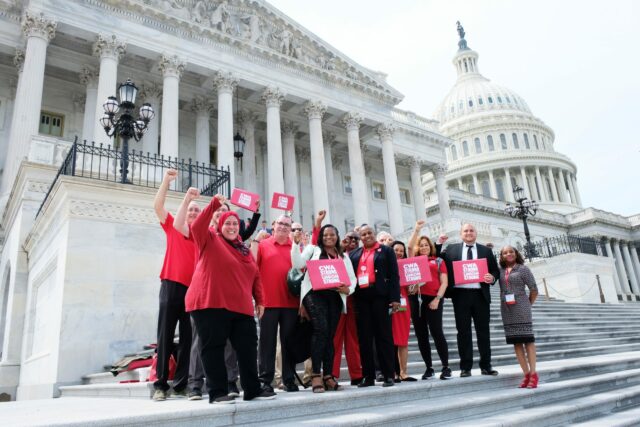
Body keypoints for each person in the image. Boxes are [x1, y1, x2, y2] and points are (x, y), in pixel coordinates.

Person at [177, 189, 275, 404]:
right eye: (227, 223)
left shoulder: (244, 249)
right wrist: (213, 204)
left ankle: (252, 389)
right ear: (220, 226)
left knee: (248, 346)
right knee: (213, 347)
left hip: (239, 306)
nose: (231, 227)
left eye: (234, 223)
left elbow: (255, 275)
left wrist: (260, 300)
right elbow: (197, 225)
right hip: (209, 302)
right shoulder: (209, 238)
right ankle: (217, 392)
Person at [291, 223, 356, 392]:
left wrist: (349, 289)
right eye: (325, 235)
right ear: (321, 236)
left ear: (337, 236)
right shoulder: (313, 249)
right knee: (321, 330)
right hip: (314, 295)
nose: (329, 237)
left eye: (332, 235)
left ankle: (328, 375)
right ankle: (315, 375)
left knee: (330, 335)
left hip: (335, 297)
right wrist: (296, 244)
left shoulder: (343, 256)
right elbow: (297, 263)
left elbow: (352, 277)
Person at [151, 169, 197, 401]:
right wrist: (166, 183)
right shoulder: (172, 225)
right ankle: (160, 384)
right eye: (190, 210)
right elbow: (158, 207)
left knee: (188, 339)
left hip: (192, 293)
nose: (193, 213)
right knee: (165, 335)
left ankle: (180, 384)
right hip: (170, 285)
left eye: (196, 211)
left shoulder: (201, 237)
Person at [438, 223, 500, 377]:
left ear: (476, 233)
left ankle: (486, 365)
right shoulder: (452, 249)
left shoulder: (486, 250)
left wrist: (492, 277)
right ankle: (466, 367)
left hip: (480, 295)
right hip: (460, 296)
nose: (469, 233)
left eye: (471, 230)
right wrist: (439, 243)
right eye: (465, 231)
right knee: (463, 332)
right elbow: (436, 258)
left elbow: (495, 270)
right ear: (461, 234)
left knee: (483, 332)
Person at [252, 215, 300, 392]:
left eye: (288, 225)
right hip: (267, 303)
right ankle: (265, 381)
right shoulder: (263, 245)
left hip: (291, 303)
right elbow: (252, 268)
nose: (284, 227)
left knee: (288, 343)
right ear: (273, 225)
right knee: (267, 343)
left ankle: (288, 379)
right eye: (280, 223)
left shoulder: (296, 248)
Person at [350, 224, 401, 387]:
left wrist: (395, 298)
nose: (366, 236)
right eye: (363, 234)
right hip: (362, 298)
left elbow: (394, 275)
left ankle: (388, 375)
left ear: (374, 234)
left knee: (383, 336)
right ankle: (368, 376)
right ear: (360, 237)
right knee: (364, 338)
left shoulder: (386, 251)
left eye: (369, 233)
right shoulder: (355, 254)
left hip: (380, 297)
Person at [407, 221, 451, 380]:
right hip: (416, 300)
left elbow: (444, 282)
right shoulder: (414, 260)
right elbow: (410, 247)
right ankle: (429, 367)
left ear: (431, 246)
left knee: (437, 332)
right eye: (421, 245)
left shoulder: (438, 261)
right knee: (421, 335)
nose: (424, 247)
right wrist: (416, 230)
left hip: (434, 299)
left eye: (426, 245)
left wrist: (437, 299)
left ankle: (446, 367)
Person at [498, 245, 539, 388]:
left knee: (528, 340)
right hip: (507, 309)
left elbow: (534, 289)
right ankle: (526, 374)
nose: (508, 254)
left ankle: (534, 374)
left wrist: (528, 304)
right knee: (516, 342)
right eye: (505, 252)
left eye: (511, 251)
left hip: (522, 307)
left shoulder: (523, 269)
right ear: (501, 256)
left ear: (516, 253)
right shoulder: (501, 271)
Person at [332, 231, 362, 385]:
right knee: (335, 339)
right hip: (336, 299)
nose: (352, 241)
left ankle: (357, 374)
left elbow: (354, 278)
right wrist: (340, 249)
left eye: (356, 239)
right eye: (349, 238)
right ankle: (331, 374)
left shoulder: (360, 254)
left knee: (353, 340)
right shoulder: (338, 254)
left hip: (352, 299)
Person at [390, 241, 416, 382]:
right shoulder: (386, 264)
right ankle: (393, 371)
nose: (399, 253)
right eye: (396, 250)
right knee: (391, 339)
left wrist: (413, 287)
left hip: (403, 305)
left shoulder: (407, 266)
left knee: (403, 339)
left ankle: (403, 372)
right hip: (389, 304)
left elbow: (412, 289)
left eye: (401, 250)